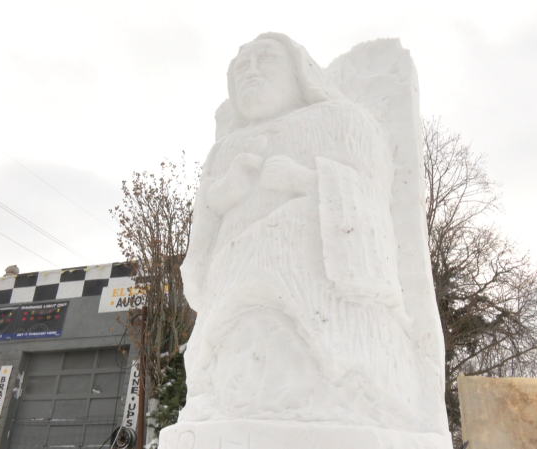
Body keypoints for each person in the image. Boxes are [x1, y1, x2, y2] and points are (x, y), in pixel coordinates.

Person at [178, 33, 430, 431]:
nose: (253, 73)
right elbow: (204, 228)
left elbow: (372, 196)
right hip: (231, 287)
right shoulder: (224, 150)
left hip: (317, 283)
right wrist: (226, 192)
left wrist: (308, 180)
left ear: (299, 71)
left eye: (266, 61)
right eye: (242, 67)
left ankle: (343, 384)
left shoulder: (342, 120)